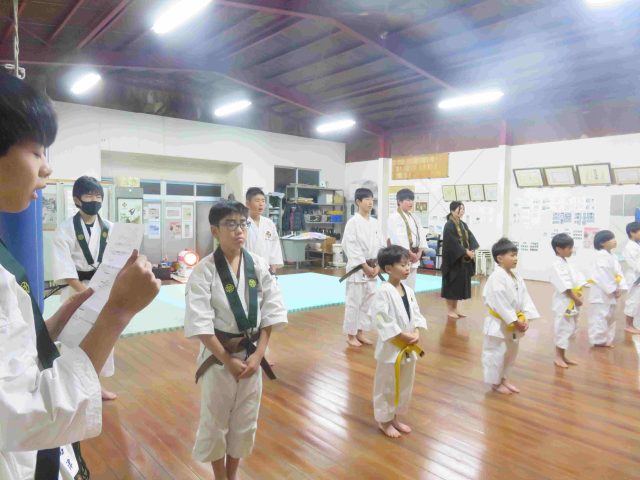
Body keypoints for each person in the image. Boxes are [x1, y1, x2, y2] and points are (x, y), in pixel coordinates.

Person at [0, 73, 160, 479]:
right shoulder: (63, 230)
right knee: (87, 340)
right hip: (78, 285)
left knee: (85, 341)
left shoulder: (105, 226)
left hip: (94, 289)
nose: (46, 167)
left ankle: (92, 378)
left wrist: (50, 326)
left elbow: (12, 351)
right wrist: (117, 311)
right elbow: (26, 411)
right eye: (36, 151)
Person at [184, 200, 287, 480]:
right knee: (215, 421)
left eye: (242, 223)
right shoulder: (204, 270)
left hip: (252, 355)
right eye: (230, 224)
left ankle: (233, 475)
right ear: (215, 231)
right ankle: (220, 477)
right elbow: (200, 323)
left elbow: (272, 311)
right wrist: (227, 360)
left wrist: (259, 354)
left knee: (245, 420)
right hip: (219, 357)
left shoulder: (258, 265)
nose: (239, 230)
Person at [52, 175, 117, 400]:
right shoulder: (65, 229)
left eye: (98, 196)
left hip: (102, 288)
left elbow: (115, 260)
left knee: (101, 338)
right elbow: (65, 269)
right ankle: (70, 389)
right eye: (89, 195)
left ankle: (95, 386)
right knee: (73, 339)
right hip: (76, 290)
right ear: (77, 200)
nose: (95, 200)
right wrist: (87, 294)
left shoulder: (109, 227)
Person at [372, 245, 427, 438]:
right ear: (388, 268)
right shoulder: (383, 292)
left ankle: (394, 417)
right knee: (387, 385)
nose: (407, 268)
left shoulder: (408, 290)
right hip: (392, 348)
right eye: (402, 265)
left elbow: (417, 314)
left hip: (408, 347)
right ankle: (384, 421)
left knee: (403, 385)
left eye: (408, 264)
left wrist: (417, 331)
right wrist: (402, 336)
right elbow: (381, 318)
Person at [482, 238, 539, 395]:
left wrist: (525, 317)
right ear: (500, 258)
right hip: (498, 324)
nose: (515, 258)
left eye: (516, 255)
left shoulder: (515, 275)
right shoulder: (496, 277)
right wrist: (514, 320)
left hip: (514, 322)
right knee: (496, 354)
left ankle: (504, 378)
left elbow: (525, 298)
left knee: (510, 353)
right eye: (512, 255)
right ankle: (495, 383)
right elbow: (500, 302)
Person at [341, 188, 386, 347]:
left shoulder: (375, 223)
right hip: (358, 269)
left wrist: (378, 265)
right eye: (366, 199)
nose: (370, 202)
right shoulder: (352, 223)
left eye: (372, 199)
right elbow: (351, 246)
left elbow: (381, 245)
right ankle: (351, 335)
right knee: (354, 302)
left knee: (368, 303)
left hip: (373, 268)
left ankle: (361, 332)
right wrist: (365, 266)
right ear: (358, 202)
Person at [549, 233, 587, 368]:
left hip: (572, 300)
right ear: (559, 249)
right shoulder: (556, 265)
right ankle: (558, 357)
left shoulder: (567, 263)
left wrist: (579, 294)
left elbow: (578, 279)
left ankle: (563, 355)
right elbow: (564, 286)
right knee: (562, 328)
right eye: (569, 248)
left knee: (570, 328)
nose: (571, 250)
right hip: (564, 302)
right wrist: (576, 298)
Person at [589, 230, 627, 347]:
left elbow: (618, 273)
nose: (614, 240)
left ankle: (607, 340)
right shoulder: (600, 256)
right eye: (611, 239)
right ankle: (598, 340)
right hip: (601, 293)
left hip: (612, 291)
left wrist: (620, 287)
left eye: (614, 238)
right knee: (600, 316)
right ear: (602, 243)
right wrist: (613, 289)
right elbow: (601, 276)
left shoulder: (613, 256)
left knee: (611, 317)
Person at [441, 201, 479, 319]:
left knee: (457, 286)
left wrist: (471, 250)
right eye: (459, 209)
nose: (462, 211)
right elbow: (452, 243)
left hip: (462, 260)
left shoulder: (463, 224)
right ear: (452, 210)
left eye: (463, 209)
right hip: (452, 261)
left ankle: (455, 309)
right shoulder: (449, 225)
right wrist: (465, 251)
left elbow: (470, 238)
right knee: (451, 286)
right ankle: (450, 310)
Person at [387, 188, 423, 290]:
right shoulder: (394, 217)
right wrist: (409, 253)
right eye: (408, 200)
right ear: (399, 201)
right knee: (401, 284)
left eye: (412, 200)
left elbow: (421, 234)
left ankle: (410, 300)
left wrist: (420, 251)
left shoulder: (414, 217)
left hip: (415, 256)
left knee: (411, 287)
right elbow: (397, 238)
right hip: (402, 255)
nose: (411, 202)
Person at [245, 187, 283, 274]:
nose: (261, 204)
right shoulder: (243, 223)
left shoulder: (269, 223)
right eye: (257, 201)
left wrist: (273, 265)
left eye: (263, 201)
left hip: (266, 268)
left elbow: (275, 245)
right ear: (248, 204)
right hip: (248, 268)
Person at [622, 221, 640, 334]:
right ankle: (629, 325)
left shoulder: (636, 245)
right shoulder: (630, 247)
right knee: (633, 301)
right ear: (632, 233)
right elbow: (636, 264)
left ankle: (633, 324)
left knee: (637, 301)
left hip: (637, 275)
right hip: (635, 277)